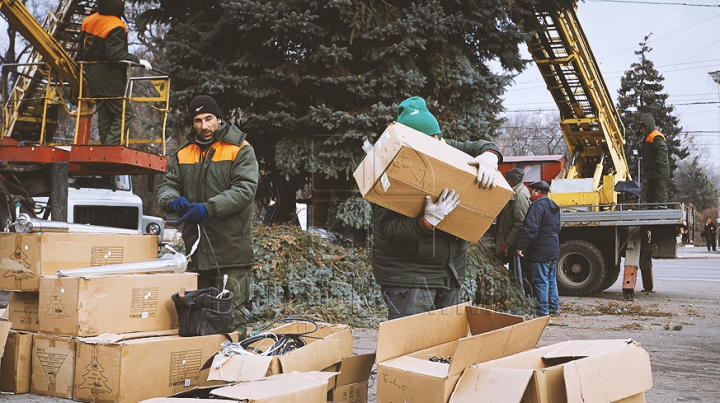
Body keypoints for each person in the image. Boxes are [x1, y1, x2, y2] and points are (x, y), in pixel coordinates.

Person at [371, 96, 503, 320]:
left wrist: (490, 156)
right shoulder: (390, 170)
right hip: (409, 277)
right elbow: (388, 230)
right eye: (428, 139)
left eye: (436, 136)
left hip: (449, 274)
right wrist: (425, 222)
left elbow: (479, 145)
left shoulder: (442, 147)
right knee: (411, 347)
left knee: (444, 347)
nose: (435, 143)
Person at [157, 95, 259, 337]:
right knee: (198, 317)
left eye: (209, 119)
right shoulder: (184, 154)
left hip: (231, 251)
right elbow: (166, 187)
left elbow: (245, 190)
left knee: (232, 321)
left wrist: (209, 208)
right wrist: (174, 201)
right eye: (198, 120)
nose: (204, 126)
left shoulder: (240, 150)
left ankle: (236, 370)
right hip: (197, 253)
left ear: (219, 119)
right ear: (193, 124)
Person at [78, 0, 152, 145]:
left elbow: (81, 51)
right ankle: (109, 148)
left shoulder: (88, 20)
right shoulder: (115, 25)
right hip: (109, 80)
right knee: (124, 113)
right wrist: (138, 60)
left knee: (105, 115)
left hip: (92, 77)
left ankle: (104, 150)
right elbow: (115, 54)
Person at [516, 180, 561, 317]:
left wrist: (520, 246)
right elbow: (558, 227)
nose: (530, 193)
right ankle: (555, 308)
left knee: (541, 281)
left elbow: (531, 230)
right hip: (553, 247)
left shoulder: (537, 207)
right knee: (551, 280)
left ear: (537, 192)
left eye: (532, 191)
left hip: (541, 249)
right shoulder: (553, 205)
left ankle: (543, 310)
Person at [494, 168, 531, 280]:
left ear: (511, 181)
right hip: (510, 241)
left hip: (513, 244)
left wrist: (507, 243)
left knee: (518, 272)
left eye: (507, 179)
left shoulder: (519, 196)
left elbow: (520, 223)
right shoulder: (515, 191)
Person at [638, 115, 670, 205]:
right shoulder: (648, 137)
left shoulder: (656, 137)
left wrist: (658, 164)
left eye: (642, 128)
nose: (641, 130)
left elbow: (663, 150)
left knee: (661, 194)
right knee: (650, 194)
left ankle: (662, 213)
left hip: (659, 172)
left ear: (648, 126)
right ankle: (650, 212)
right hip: (652, 172)